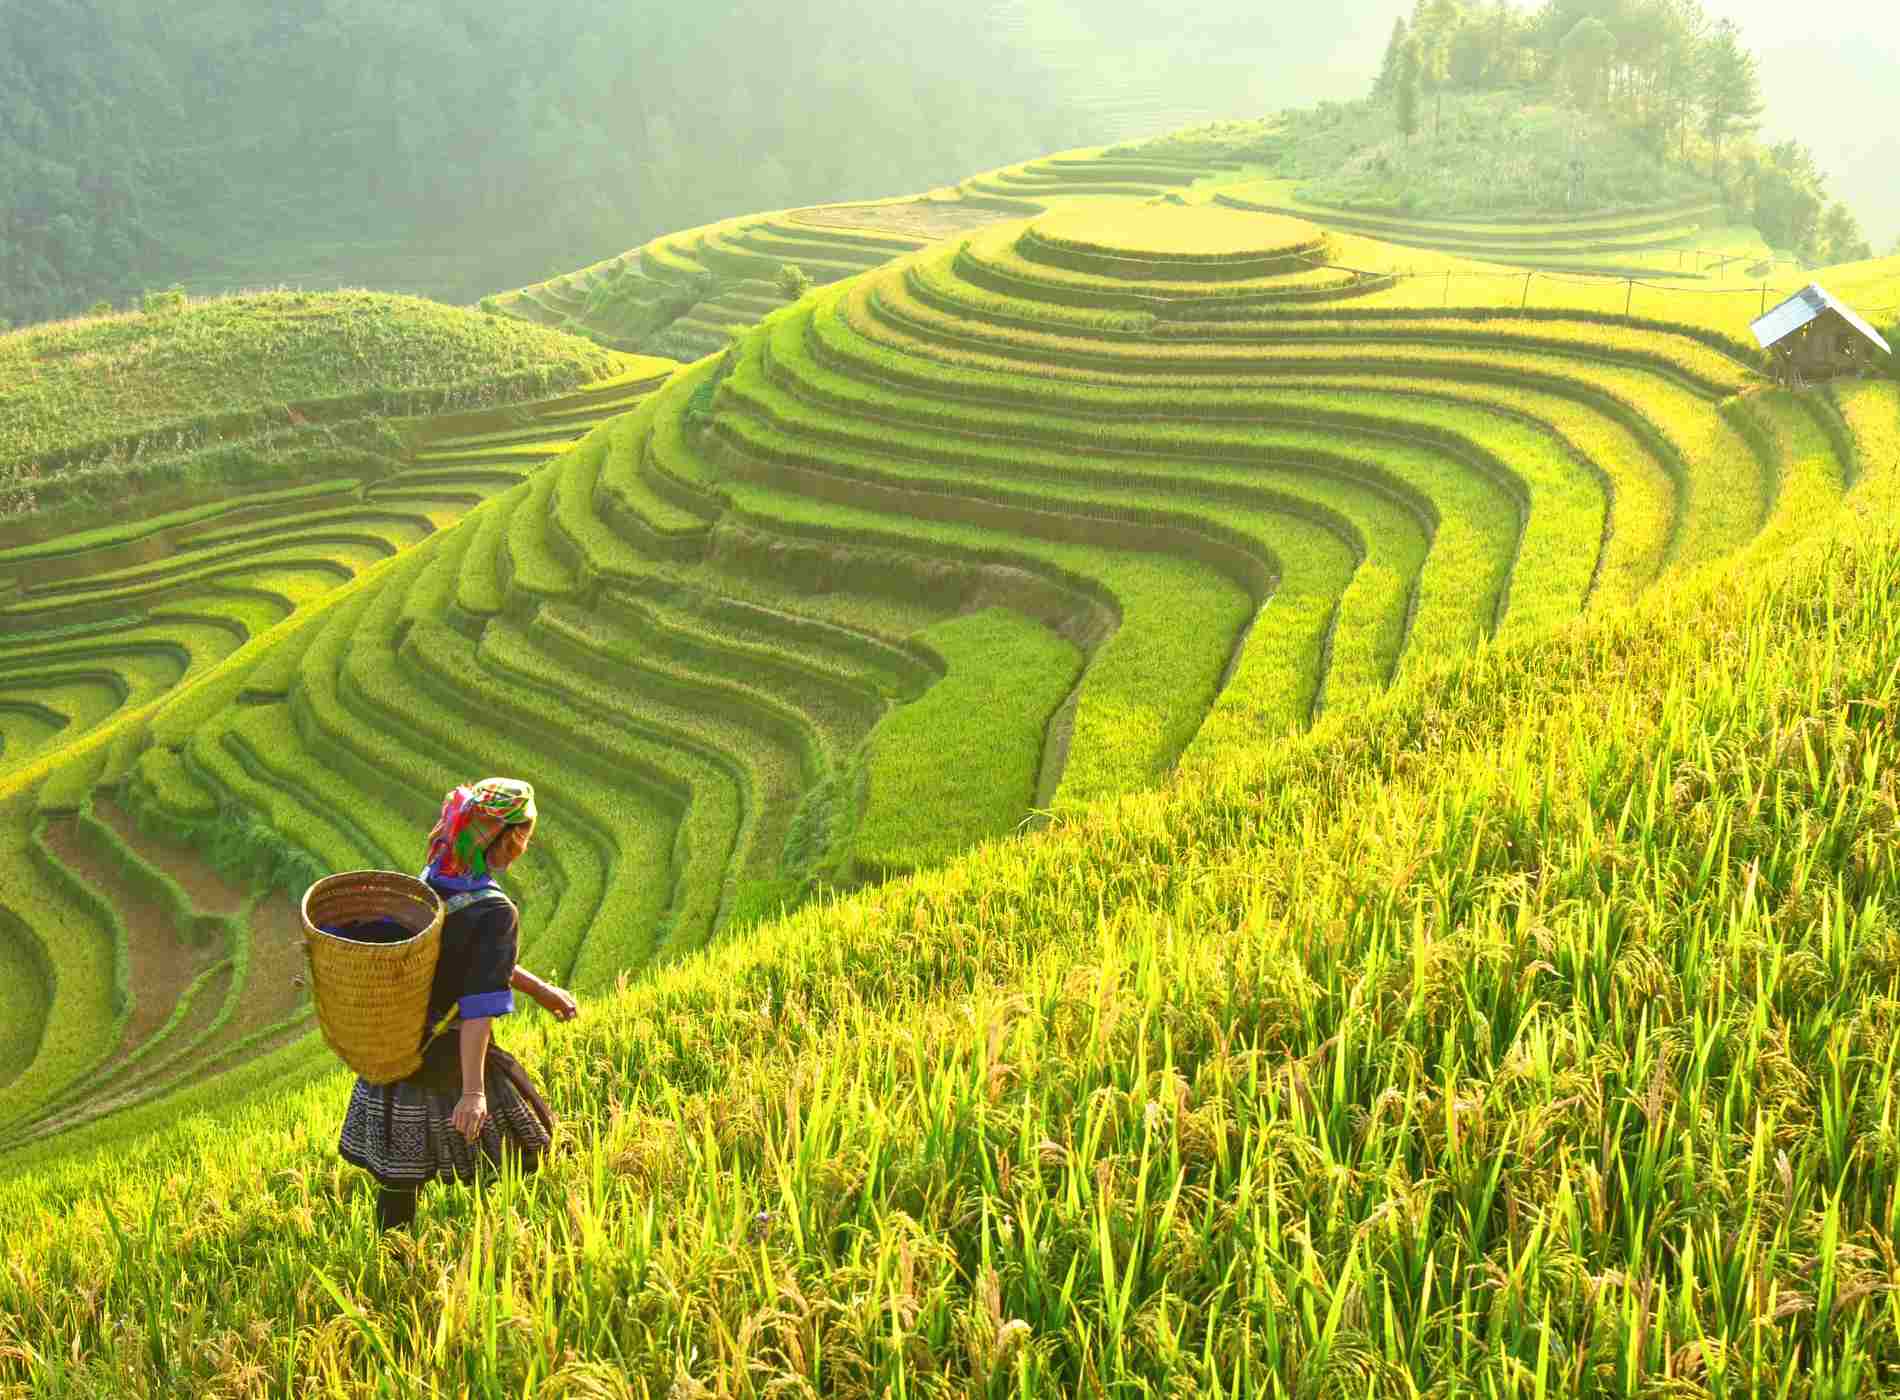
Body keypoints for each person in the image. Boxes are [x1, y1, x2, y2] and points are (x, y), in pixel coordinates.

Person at [337, 777, 579, 1232]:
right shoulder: (495, 911)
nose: (524, 846)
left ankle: (392, 1258)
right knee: (526, 1148)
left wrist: (541, 990)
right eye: (522, 835)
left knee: (398, 1176)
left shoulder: (434, 877)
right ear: (504, 838)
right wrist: (473, 1091)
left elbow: (473, 958)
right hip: (450, 1049)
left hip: (400, 1040)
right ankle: (518, 1239)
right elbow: (478, 1005)